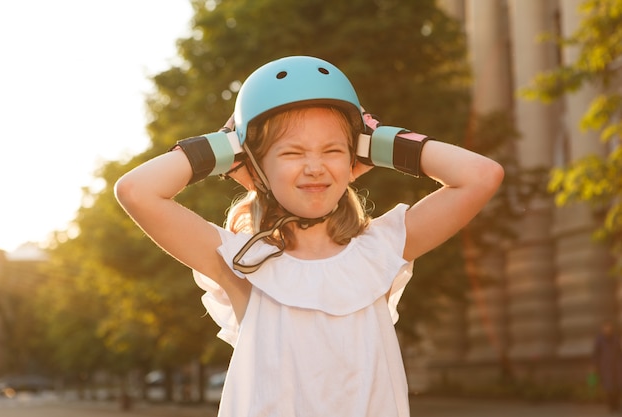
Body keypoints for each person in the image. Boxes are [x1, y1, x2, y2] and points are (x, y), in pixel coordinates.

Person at [115, 56, 504, 417]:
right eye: (292, 153)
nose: (315, 167)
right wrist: (229, 145)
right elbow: (136, 191)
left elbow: (481, 176)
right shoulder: (242, 262)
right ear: (254, 165)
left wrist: (384, 140)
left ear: (356, 158)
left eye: (333, 150)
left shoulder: (382, 250)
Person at [593, 321, 622, 413]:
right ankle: (611, 406)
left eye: (609, 327)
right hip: (605, 366)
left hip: (617, 366)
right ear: (603, 329)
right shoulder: (599, 340)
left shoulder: (616, 339)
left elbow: (620, 351)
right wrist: (595, 365)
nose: (607, 329)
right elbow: (596, 353)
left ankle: (617, 405)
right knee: (609, 387)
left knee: (618, 386)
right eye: (606, 327)